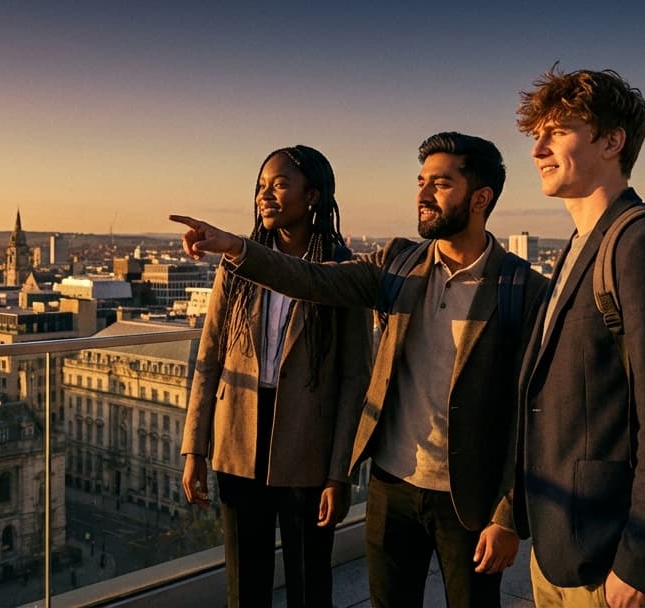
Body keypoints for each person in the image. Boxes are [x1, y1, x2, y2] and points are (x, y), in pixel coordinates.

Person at [173, 132, 548, 608]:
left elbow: (531, 415)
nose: (422, 193)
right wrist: (234, 247)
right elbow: (309, 280)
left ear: (481, 197)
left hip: (465, 496)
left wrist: (507, 515)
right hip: (391, 484)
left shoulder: (524, 289)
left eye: (440, 183)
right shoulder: (397, 264)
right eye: (420, 181)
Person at [513, 67, 645, 608]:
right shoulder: (580, 245)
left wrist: (643, 562)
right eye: (537, 134)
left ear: (611, 140)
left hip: (618, 563)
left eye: (557, 131)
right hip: (561, 547)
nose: (538, 149)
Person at [180, 145, 370, 608]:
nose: (266, 194)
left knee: (309, 584)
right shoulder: (237, 268)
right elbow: (209, 361)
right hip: (238, 438)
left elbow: (353, 380)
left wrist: (340, 473)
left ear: (313, 196)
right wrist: (194, 449)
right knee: (245, 586)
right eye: (261, 186)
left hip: (308, 445)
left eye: (280, 184)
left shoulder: (342, 271)